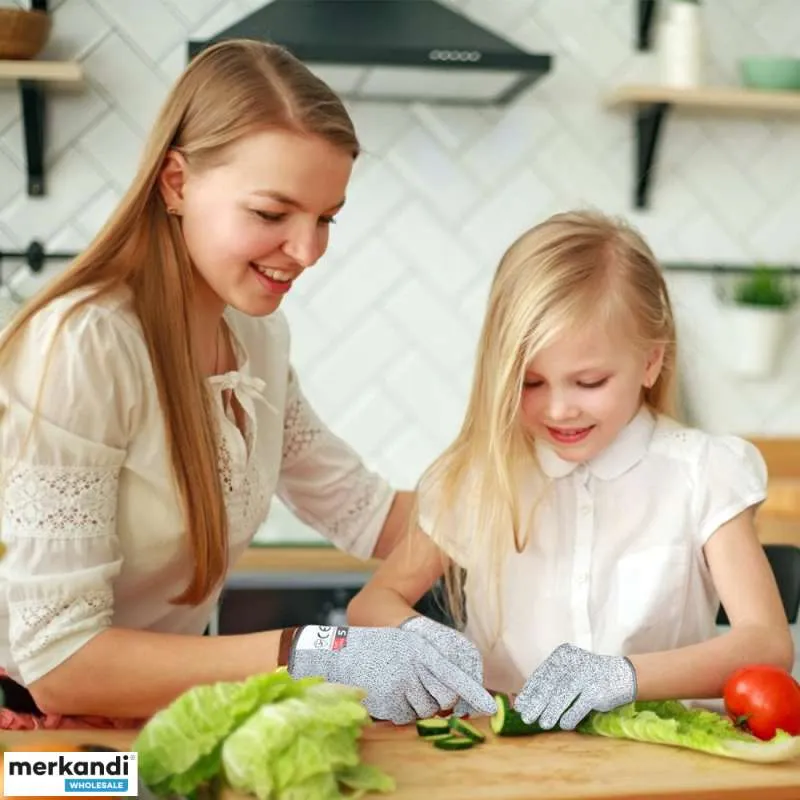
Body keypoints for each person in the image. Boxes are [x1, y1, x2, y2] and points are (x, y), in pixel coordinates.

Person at [0, 38, 496, 730]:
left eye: (326, 218)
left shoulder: (255, 338)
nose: (307, 251)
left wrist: (537, 497)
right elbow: (59, 663)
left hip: (140, 725)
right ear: (176, 183)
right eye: (272, 214)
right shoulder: (84, 346)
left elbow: (367, 512)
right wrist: (314, 653)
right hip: (32, 743)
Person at [347, 209, 794, 732]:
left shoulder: (704, 473)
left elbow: (766, 642)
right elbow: (372, 603)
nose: (559, 409)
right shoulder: (480, 477)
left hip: (663, 766)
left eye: (588, 382)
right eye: (532, 383)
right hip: (508, 761)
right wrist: (426, 639)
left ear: (651, 361)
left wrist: (625, 677)